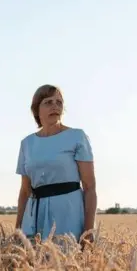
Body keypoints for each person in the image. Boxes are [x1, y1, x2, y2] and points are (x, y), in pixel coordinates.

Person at [14, 84, 97, 249]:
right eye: (48, 102)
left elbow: (89, 186)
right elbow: (25, 191)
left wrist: (88, 231)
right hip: (34, 215)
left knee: (68, 264)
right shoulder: (27, 143)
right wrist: (18, 229)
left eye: (59, 102)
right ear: (37, 109)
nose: (55, 106)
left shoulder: (77, 137)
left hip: (68, 213)